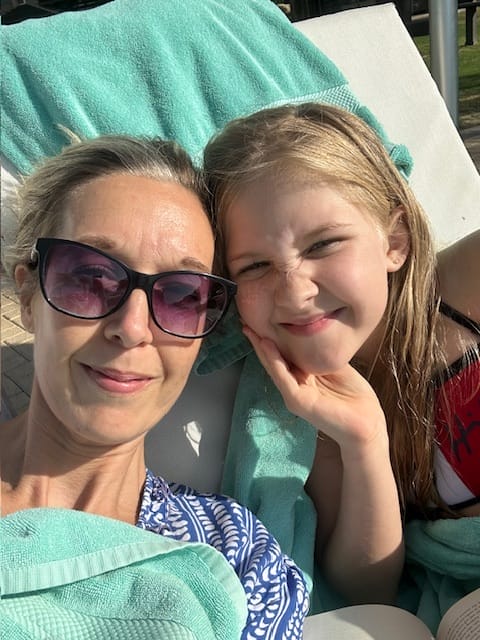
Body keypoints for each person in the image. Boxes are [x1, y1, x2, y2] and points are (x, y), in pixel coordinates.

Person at [0, 134, 309, 639]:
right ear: (29, 296)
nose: (132, 328)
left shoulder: (236, 558)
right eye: (91, 278)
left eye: (181, 295)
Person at [203, 102, 480, 606]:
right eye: (255, 266)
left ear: (394, 241)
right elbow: (367, 588)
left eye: (323, 245)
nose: (294, 292)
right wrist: (364, 441)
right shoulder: (306, 417)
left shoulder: (469, 282)